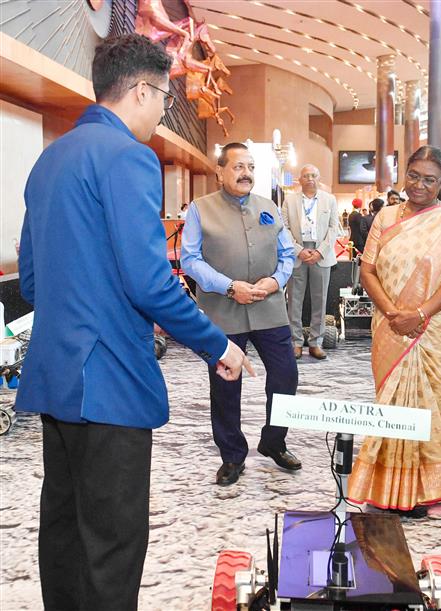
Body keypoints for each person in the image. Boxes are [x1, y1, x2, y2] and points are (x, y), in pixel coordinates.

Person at [16, 34, 251, 610]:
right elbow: (148, 282)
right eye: (164, 97)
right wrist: (216, 344)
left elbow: (30, 283)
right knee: (113, 546)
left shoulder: (51, 158)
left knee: (65, 533)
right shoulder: (127, 157)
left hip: (56, 377)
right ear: (142, 90)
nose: (162, 110)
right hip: (111, 381)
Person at [347, 146, 441, 520]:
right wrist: (393, 312)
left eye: (429, 179)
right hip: (390, 326)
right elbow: (367, 272)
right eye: (413, 176)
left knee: (437, 408)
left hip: (438, 328)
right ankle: (385, 487)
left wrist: (419, 313)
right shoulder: (384, 217)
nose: (419, 185)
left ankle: (434, 490)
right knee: (392, 405)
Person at [181, 142, 302, 483]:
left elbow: (287, 254)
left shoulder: (269, 207)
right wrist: (229, 286)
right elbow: (190, 259)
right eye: (237, 166)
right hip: (223, 311)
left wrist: (276, 282)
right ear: (219, 171)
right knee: (225, 385)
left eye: (250, 166)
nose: (246, 172)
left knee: (285, 376)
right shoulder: (200, 209)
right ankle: (232, 455)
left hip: (269, 308)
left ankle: (274, 442)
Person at [282, 164, 341, 360]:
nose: (310, 179)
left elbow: (334, 228)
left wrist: (320, 251)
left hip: (321, 254)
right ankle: (296, 342)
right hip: (297, 253)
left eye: (313, 175)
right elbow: (283, 228)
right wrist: (299, 250)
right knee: (294, 302)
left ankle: (316, 342)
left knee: (320, 301)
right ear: (299, 179)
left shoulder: (330, 200)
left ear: (319, 178)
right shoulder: (289, 201)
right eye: (305, 175)